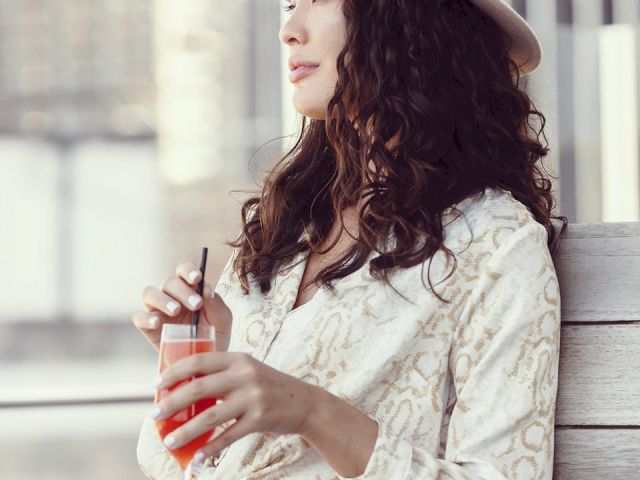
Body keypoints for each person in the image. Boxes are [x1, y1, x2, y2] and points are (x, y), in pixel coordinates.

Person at [133, 0, 568, 478]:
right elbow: (178, 466)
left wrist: (315, 413)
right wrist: (204, 364)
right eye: (289, 5)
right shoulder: (286, 221)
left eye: (317, 2)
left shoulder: (496, 242)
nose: (289, 31)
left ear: (407, 21)